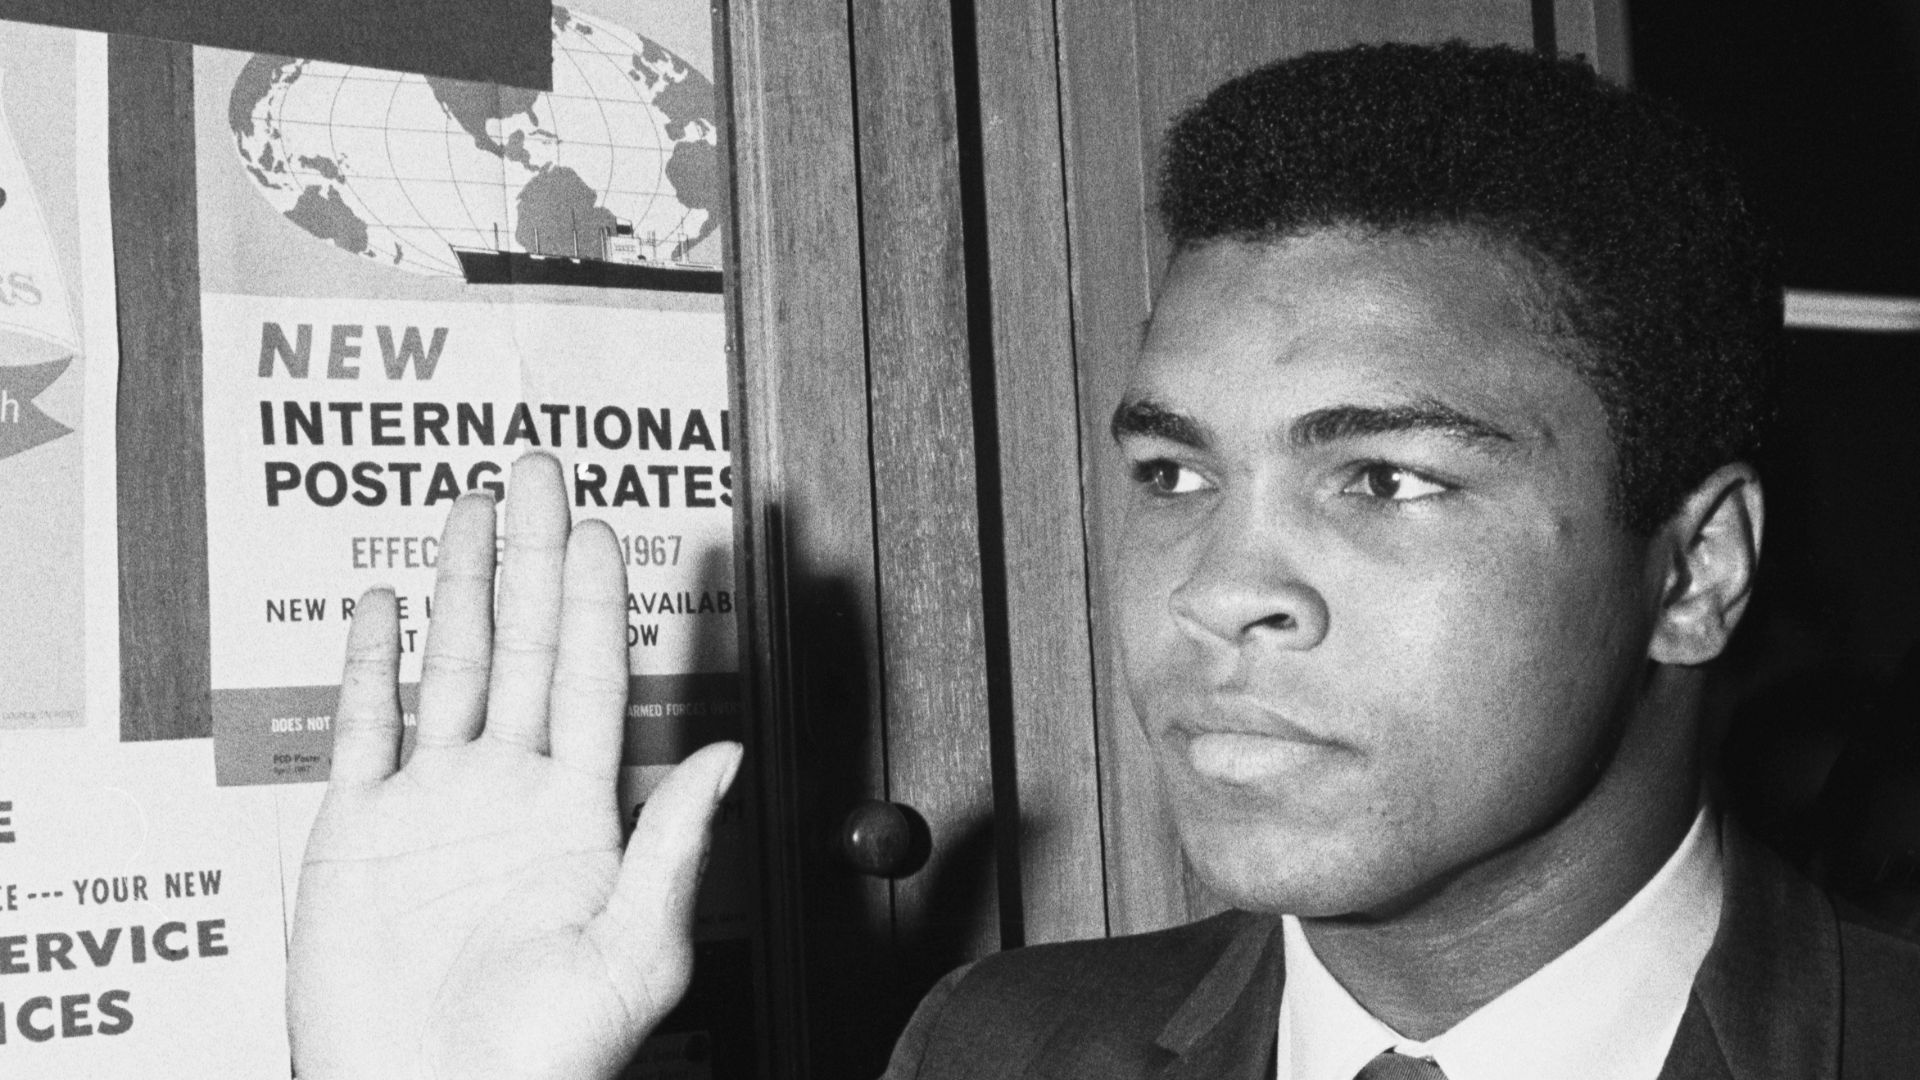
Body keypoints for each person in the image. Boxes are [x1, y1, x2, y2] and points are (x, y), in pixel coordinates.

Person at [286, 41, 1920, 1080]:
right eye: (1171, 468)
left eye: (1387, 478)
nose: (1217, 585)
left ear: (1694, 569)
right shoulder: (996, 1049)